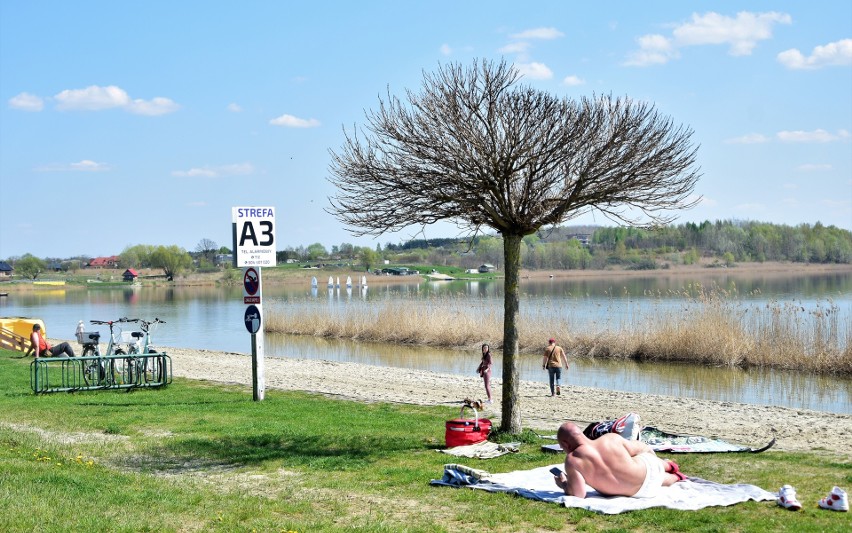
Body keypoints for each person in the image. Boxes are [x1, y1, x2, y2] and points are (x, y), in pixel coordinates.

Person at [552, 421, 686, 498]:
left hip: (642, 492)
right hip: (648, 470)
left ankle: (678, 477)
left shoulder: (572, 460)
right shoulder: (610, 438)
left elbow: (579, 494)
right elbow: (640, 448)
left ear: (565, 444)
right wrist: (652, 456)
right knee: (648, 463)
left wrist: (564, 484)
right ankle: (669, 465)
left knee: (660, 480)